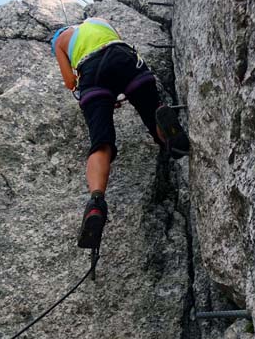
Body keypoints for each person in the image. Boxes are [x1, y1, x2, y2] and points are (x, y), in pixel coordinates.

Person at [51, 16, 189, 249]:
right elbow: (116, 40)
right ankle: (165, 128)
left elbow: (69, 81)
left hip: (92, 71)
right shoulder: (99, 20)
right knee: (149, 110)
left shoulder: (60, 40)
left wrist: (98, 94)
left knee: (101, 142)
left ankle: (96, 201)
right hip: (124, 57)